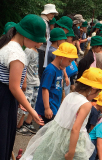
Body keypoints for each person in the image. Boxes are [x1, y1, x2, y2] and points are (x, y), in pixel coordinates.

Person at [21, 67, 102, 159]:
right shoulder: (86, 104)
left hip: (56, 135)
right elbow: (75, 129)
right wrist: (71, 152)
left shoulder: (70, 95)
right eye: (98, 91)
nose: (98, 94)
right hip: (73, 142)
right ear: (92, 89)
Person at [0, 14, 45, 160]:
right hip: (4, 100)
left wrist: (19, 101)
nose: (38, 45)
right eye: (37, 41)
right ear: (28, 35)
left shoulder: (7, 45)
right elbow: (14, 87)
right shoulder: (17, 53)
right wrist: (32, 110)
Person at [35, 42, 78, 125]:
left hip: (55, 105)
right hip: (49, 106)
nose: (69, 64)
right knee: (46, 131)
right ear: (62, 57)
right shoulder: (50, 70)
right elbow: (45, 89)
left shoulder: (60, 69)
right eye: (69, 61)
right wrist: (47, 108)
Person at [17, 42, 43, 135]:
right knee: (25, 104)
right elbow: (24, 66)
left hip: (36, 81)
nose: (42, 43)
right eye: (40, 41)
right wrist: (24, 81)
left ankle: (27, 123)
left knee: (33, 104)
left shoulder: (36, 51)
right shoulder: (28, 51)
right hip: (28, 82)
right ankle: (18, 125)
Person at [38, 4, 58, 79]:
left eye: (54, 14)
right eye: (52, 13)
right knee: (40, 71)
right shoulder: (43, 22)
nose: (53, 15)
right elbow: (43, 38)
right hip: (41, 49)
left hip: (43, 49)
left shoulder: (45, 22)